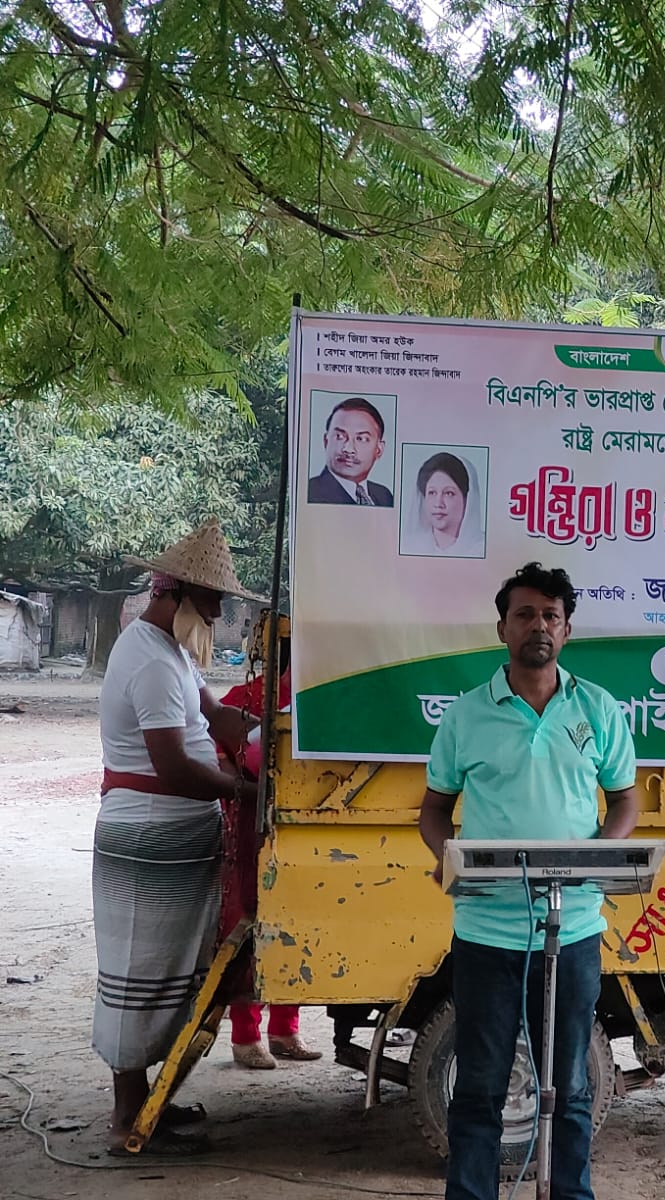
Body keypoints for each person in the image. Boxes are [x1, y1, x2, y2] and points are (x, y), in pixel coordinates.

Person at [419, 562, 640, 1200]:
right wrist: (445, 854)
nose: (538, 625)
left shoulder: (597, 708)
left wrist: (601, 856)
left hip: (573, 929)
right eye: (524, 615)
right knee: (480, 1086)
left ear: (566, 630)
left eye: (550, 616)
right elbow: (434, 810)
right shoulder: (466, 715)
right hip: (486, 931)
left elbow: (625, 800)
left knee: (569, 1085)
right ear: (502, 629)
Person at [94, 519, 265, 1156]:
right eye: (213, 601)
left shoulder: (172, 653)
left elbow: (216, 715)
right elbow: (173, 765)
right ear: (181, 594)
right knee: (140, 975)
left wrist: (271, 733)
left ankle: (149, 1105)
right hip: (149, 835)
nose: (218, 614)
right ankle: (127, 1117)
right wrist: (244, 790)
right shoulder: (150, 660)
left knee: (169, 976)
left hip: (174, 837)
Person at [211, 620, 321, 1069]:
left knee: (297, 917)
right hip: (251, 827)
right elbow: (218, 759)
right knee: (251, 921)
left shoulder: (321, 699)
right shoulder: (242, 700)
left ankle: (283, 1029)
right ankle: (246, 1034)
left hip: (300, 825)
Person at [307, 397, 393, 506]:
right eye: (340, 436)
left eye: (361, 439)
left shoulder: (384, 496)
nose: (348, 449)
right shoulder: (310, 493)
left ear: (379, 449)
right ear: (326, 441)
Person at [401, 451, 484, 557]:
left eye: (449, 493)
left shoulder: (481, 549)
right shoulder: (410, 547)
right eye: (432, 492)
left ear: (467, 498)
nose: (438, 503)